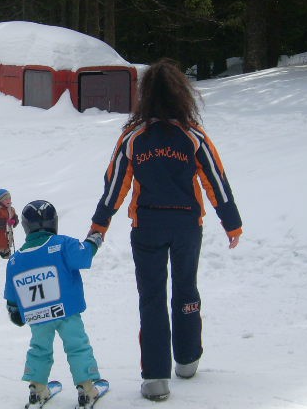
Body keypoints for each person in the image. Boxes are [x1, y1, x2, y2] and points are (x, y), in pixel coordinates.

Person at [89, 59, 243, 401]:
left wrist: (99, 225)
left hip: (147, 229)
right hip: (188, 225)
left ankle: (156, 378)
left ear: (145, 96)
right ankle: (187, 360)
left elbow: (115, 186)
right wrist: (231, 222)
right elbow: (216, 179)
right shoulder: (193, 136)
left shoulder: (133, 137)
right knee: (186, 289)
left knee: (152, 298)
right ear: (181, 95)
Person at [4, 200, 109, 408]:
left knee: (39, 348)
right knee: (77, 346)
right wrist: (94, 240)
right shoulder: (62, 244)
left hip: (38, 316)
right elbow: (84, 255)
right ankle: (87, 389)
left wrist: (15, 310)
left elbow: (11, 295)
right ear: (53, 222)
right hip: (66, 311)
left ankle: (37, 389)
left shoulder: (15, 260)